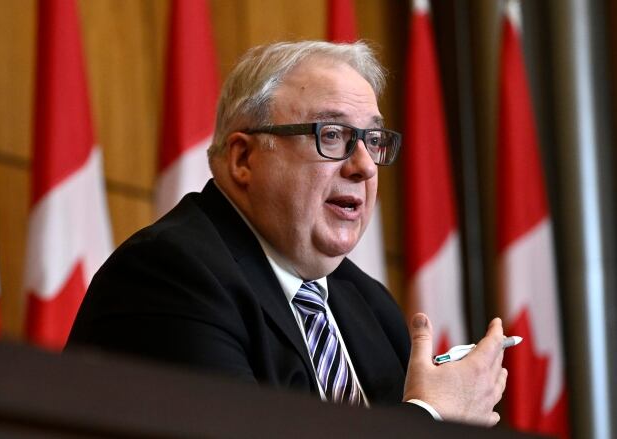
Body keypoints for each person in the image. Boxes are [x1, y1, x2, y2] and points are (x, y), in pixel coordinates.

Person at [67, 40, 507, 426]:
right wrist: (432, 420)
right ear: (243, 159)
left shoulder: (366, 304)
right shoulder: (168, 276)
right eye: (331, 135)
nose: (365, 167)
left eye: (372, 140)